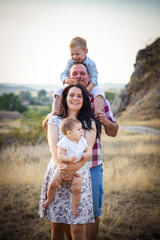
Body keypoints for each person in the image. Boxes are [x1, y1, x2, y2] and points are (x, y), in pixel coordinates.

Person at [49, 62, 119, 240]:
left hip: (92, 165)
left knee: (92, 211)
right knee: (66, 213)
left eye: (82, 73)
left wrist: (105, 122)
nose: (79, 76)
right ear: (69, 77)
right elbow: (51, 128)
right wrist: (64, 168)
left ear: (89, 77)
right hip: (63, 166)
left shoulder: (99, 102)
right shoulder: (64, 101)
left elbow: (113, 131)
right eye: (75, 73)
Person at [39, 84, 101, 240]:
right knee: (57, 230)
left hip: (80, 177)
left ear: (84, 100)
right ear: (65, 98)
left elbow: (86, 154)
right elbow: (53, 147)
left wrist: (71, 170)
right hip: (57, 172)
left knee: (78, 232)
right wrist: (62, 170)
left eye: (79, 96)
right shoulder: (55, 120)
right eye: (71, 95)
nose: (75, 98)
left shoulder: (89, 123)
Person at [42, 117, 92, 216]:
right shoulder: (64, 142)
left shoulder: (82, 140)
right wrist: (68, 159)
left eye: (81, 129)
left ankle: (75, 208)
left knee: (77, 189)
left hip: (77, 169)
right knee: (53, 184)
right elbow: (60, 155)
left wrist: (87, 154)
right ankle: (48, 199)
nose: (81, 131)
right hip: (64, 167)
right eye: (78, 129)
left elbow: (88, 148)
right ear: (69, 133)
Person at [52, 36, 105, 115]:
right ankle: (55, 113)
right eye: (72, 54)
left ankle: (98, 113)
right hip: (73, 86)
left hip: (90, 87)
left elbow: (94, 79)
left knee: (98, 92)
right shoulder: (70, 62)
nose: (74, 57)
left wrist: (86, 91)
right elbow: (63, 74)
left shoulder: (91, 63)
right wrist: (67, 80)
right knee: (59, 91)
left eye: (77, 54)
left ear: (85, 51)